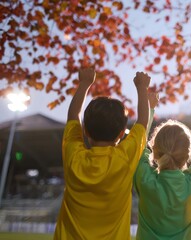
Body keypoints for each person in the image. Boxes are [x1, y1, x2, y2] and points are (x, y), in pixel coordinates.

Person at [54, 69, 150, 239]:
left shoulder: (74, 157)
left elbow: (72, 117)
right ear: (122, 133)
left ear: (85, 131)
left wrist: (84, 84)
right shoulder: (124, 158)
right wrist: (142, 88)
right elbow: (143, 121)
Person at [133, 92, 191, 240]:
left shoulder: (145, 180)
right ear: (187, 153)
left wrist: (149, 109)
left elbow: (139, 144)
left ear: (155, 152)